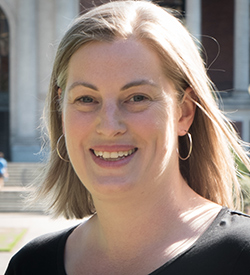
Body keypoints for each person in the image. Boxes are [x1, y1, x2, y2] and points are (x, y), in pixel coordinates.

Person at [5, 1, 250, 274]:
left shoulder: (242, 256)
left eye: (137, 98)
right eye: (86, 99)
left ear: (184, 112)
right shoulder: (31, 266)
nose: (109, 126)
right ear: (62, 112)